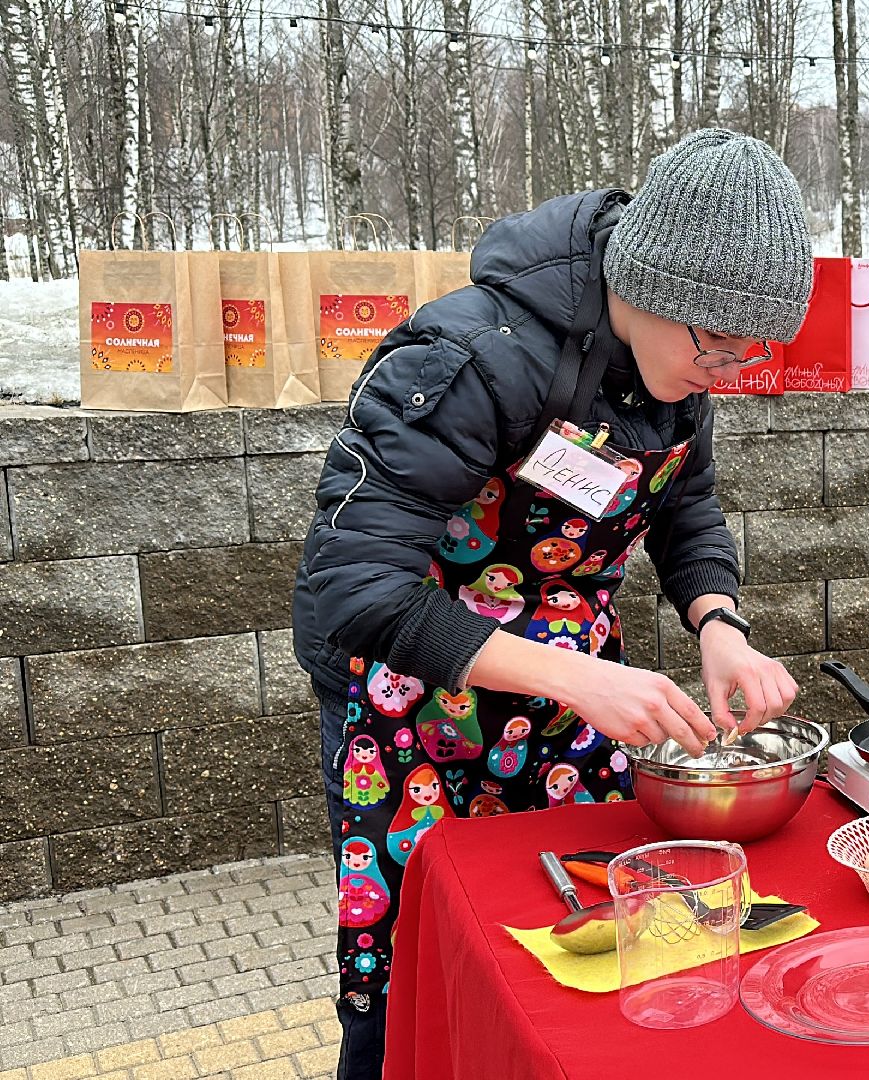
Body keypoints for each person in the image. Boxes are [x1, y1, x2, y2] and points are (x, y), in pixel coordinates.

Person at [292, 129, 807, 1077]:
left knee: (586, 947)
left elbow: (686, 509)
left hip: (567, 710)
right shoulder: (467, 357)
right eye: (719, 343)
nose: (731, 367)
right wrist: (575, 675)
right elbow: (351, 589)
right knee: (411, 971)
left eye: (752, 351)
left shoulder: (675, 377)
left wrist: (719, 625)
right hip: (413, 710)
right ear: (650, 285)